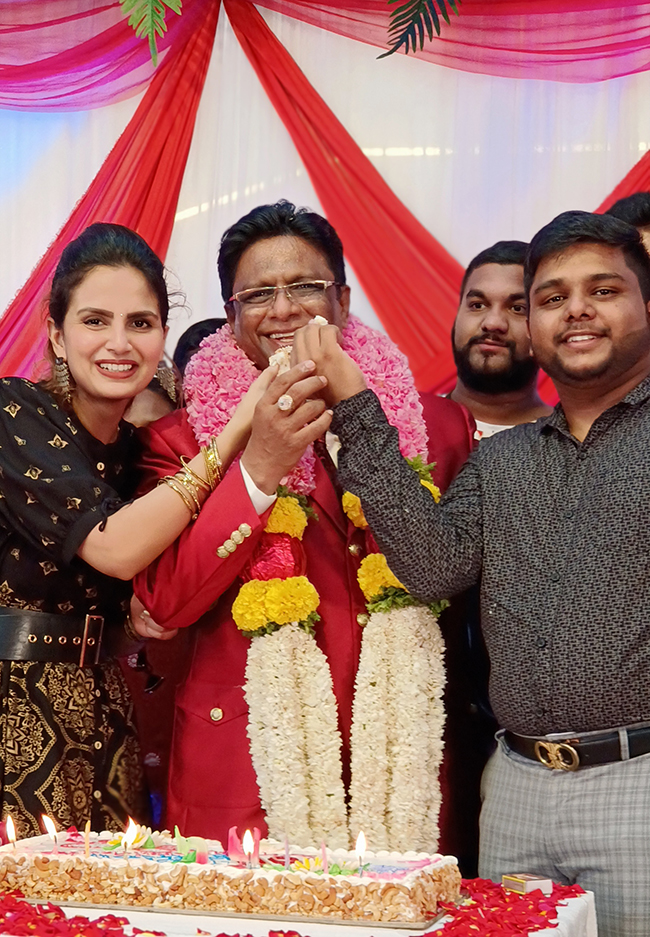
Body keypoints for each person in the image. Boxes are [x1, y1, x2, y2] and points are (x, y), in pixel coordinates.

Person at [293, 210, 650, 937]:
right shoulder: (503, 460)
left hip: (639, 781)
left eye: (603, 289)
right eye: (551, 298)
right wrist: (357, 407)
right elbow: (428, 567)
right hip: (517, 787)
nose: (576, 308)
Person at [133, 200, 451, 844]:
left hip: (395, 765)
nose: (282, 310)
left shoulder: (434, 429)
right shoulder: (180, 438)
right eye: (257, 294)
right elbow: (165, 602)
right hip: (243, 769)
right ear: (230, 314)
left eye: (305, 286)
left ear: (341, 298)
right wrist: (257, 469)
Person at [0, 222, 272, 837]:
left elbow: (134, 599)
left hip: (102, 708)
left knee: (114, 908)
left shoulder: (140, 451)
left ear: (161, 337)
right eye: (95, 320)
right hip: (11, 705)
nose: (118, 343)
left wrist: (133, 621)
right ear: (56, 334)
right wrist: (236, 433)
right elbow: (115, 548)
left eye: (140, 323)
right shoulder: (13, 412)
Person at [422, 241, 551, 875]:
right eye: (477, 303)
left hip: (522, 732)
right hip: (405, 708)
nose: (492, 321)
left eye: (516, 307)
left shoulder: (568, 446)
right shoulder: (404, 432)